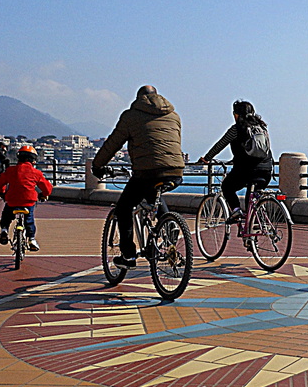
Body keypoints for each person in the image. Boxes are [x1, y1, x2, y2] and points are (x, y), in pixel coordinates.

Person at [92, 85, 185, 269]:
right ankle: (168, 228)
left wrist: (98, 165)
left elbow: (113, 143)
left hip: (146, 172)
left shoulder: (131, 116)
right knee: (155, 194)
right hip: (176, 171)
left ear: (139, 98)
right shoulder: (174, 115)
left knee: (123, 208)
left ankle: (128, 256)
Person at [198, 100, 273, 223]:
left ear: (236, 115)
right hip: (266, 170)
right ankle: (253, 229)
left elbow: (220, 145)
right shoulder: (262, 128)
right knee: (252, 202)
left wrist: (206, 158)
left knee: (227, 187)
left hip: (246, 171)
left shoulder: (237, 129)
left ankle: (236, 211)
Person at [0, 145, 52, 251]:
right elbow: (47, 188)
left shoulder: (11, 170)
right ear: (33, 160)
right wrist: (44, 195)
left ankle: (4, 230)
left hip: (12, 200)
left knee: (6, 216)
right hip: (28, 200)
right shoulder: (36, 173)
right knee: (29, 220)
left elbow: (0, 183)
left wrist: (2, 192)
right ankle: (31, 239)